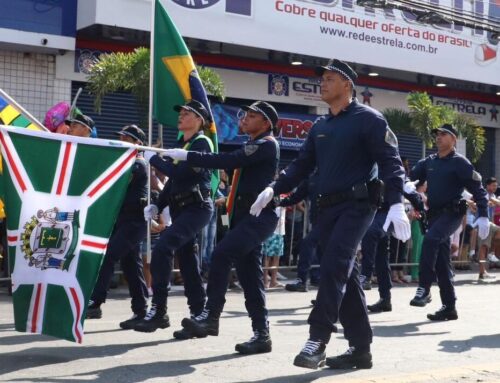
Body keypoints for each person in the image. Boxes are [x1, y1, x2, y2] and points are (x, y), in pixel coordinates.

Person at [251, 59, 410, 369]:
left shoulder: (370, 120)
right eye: (321, 78)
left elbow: (391, 164)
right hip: (327, 208)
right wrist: (275, 188)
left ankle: (317, 339)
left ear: (347, 84)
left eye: (329, 78)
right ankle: (360, 348)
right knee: (344, 275)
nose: (322, 83)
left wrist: (396, 203)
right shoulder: (320, 126)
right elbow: (302, 165)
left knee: (334, 266)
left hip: (359, 205)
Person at [162, 100, 280, 354]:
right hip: (242, 217)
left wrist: (188, 155)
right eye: (245, 114)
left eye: (252, 115)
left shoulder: (266, 144)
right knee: (250, 278)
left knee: (222, 254)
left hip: (259, 217)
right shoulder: (252, 144)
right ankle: (262, 335)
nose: (245, 118)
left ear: (266, 123)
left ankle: (210, 316)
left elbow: (229, 159)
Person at [135, 100, 214, 339]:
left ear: (199, 119)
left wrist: (154, 159)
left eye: (187, 113)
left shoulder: (202, 143)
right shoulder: (183, 144)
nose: (181, 116)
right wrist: (157, 204)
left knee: (164, 247)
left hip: (197, 207)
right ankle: (198, 316)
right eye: (180, 112)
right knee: (189, 264)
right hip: (181, 208)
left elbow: (180, 172)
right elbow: (173, 183)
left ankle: (159, 310)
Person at [407, 123, 489, 321]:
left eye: (444, 134)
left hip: (452, 214)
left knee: (431, 240)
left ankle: (424, 288)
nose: (439, 137)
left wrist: (484, 214)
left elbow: (478, 188)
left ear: (454, 140)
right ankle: (449, 307)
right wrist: (406, 184)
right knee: (443, 263)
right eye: (437, 134)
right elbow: (410, 178)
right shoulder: (429, 162)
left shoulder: (460, 163)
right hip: (434, 215)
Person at [86, 125, 149, 329]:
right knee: (132, 267)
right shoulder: (125, 163)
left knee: (109, 255)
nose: (121, 140)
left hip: (134, 222)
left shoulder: (137, 164)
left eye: (127, 138)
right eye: (121, 136)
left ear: (137, 144)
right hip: (124, 221)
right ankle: (140, 310)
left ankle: (96, 302)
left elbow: (116, 182)